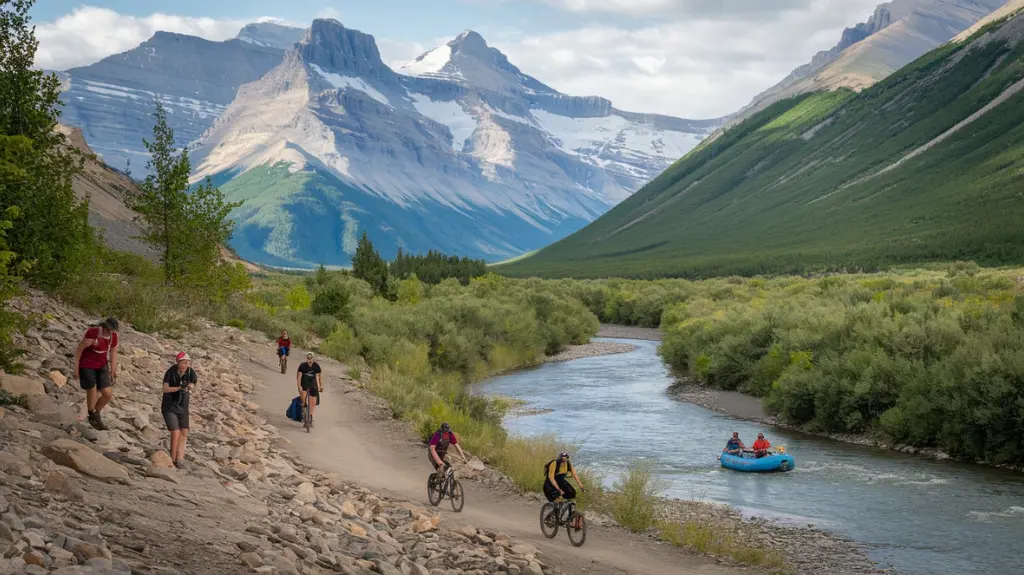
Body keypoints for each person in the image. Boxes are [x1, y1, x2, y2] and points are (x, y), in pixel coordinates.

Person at [73, 317, 120, 431]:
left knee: (107, 394)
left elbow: (114, 352)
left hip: (102, 365)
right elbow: (79, 349)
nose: (111, 332)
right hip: (87, 364)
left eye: (113, 330)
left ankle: (96, 413)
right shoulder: (93, 333)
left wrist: (113, 371)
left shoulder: (113, 337)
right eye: (109, 330)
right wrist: (76, 368)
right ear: (104, 327)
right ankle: (91, 412)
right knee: (92, 389)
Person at [162, 352, 197, 469]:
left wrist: (190, 386)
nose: (185, 365)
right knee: (175, 432)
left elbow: (193, 382)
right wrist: (178, 388)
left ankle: (180, 459)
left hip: (183, 406)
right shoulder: (170, 372)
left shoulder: (190, 372)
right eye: (183, 362)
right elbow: (165, 389)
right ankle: (172, 459)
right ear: (178, 362)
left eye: (187, 363)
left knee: (184, 432)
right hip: (170, 406)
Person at [296, 352, 323, 425]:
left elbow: (319, 376)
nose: (309, 360)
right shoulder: (302, 366)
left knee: (313, 403)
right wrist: (299, 387)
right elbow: (299, 377)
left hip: (313, 384)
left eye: (310, 358)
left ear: (313, 358)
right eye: (308, 358)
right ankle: (304, 410)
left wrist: (321, 385)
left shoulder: (316, 366)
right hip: (304, 384)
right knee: (303, 400)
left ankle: (310, 416)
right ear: (306, 358)